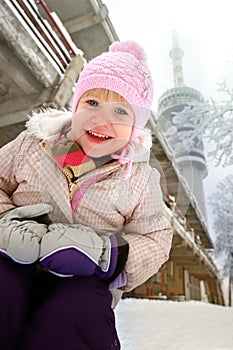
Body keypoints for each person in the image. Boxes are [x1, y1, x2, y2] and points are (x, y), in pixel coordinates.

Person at [0, 40, 173, 350]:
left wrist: (107, 255)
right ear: (76, 105)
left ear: (136, 127)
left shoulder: (139, 179)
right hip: (12, 260)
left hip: (81, 280)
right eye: (92, 103)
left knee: (78, 312)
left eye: (120, 111)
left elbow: (155, 237)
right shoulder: (33, 143)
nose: (101, 119)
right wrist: (4, 223)